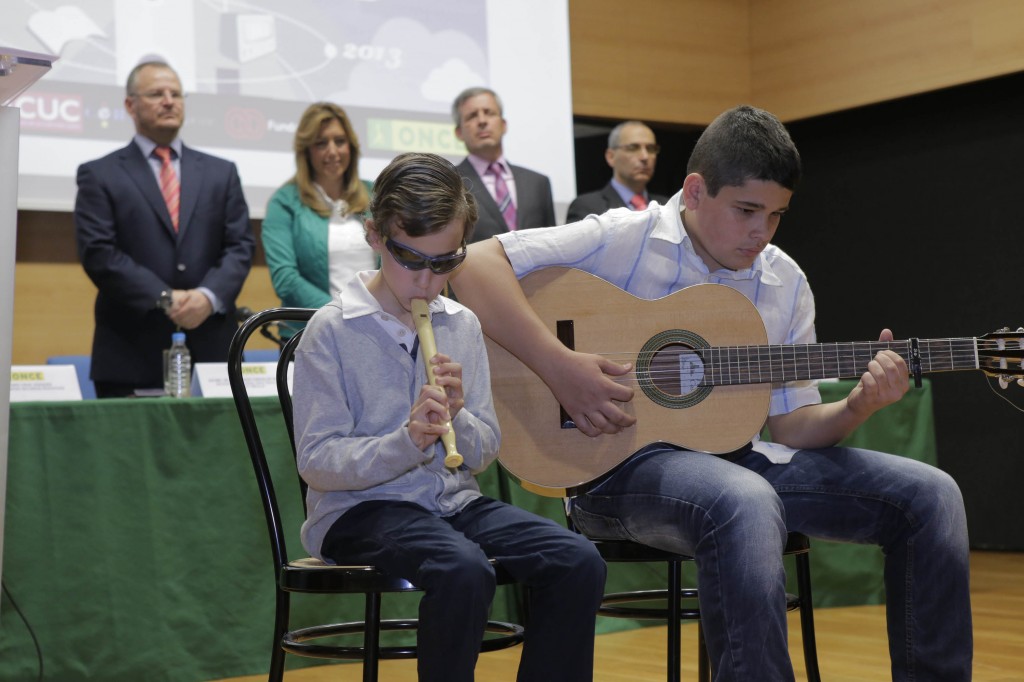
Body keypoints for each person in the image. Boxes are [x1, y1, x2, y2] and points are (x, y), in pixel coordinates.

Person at [451, 105, 971, 681]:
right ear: (695, 191)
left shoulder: (784, 280)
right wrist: (562, 367)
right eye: (747, 210)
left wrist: (858, 405)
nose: (761, 232)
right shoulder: (622, 237)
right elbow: (473, 264)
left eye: (776, 215)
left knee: (931, 495)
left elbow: (794, 429)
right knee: (744, 499)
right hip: (614, 468)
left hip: (740, 461)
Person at [290, 152, 605, 682]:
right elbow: (317, 462)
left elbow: (481, 453)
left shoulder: (461, 324)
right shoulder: (333, 330)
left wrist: (461, 417)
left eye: (445, 263)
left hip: (451, 504)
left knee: (577, 560)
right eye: (412, 260)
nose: (429, 284)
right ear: (374, 236)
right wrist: (408, 440)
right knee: (462, 571)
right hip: (359, 511)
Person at [75, 60, 254, 398]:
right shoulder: (99, 174)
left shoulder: (221, 173)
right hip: (130, 353)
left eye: (176, 93)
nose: (169, 101)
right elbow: (99, 253)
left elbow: (240, 246)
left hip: (213, 352)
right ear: (130, 105)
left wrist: (207, 297)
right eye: (157, 93)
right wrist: (164, 298)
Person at [262, 101, 376, 311]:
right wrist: (338, 313)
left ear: (351, 146)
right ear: (306, 151)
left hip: (380, 326)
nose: (332, 151)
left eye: (340, 141)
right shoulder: (285, 202)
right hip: (311, 329)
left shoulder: (376, 194)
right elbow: (285, 279)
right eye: (321, 143)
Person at [452, 87, 555, 242]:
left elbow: (552, 243)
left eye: (489, 113)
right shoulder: (450, 183)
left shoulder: (538, 183)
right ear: (459, 133)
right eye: (472, 116)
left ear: (504, 124)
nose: (482, 121)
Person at [565, 120, 669, 222]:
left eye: (651, 149)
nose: (644, 157)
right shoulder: (587, 208)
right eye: (633, 147)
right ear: (611, 157)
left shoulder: (668, 208)